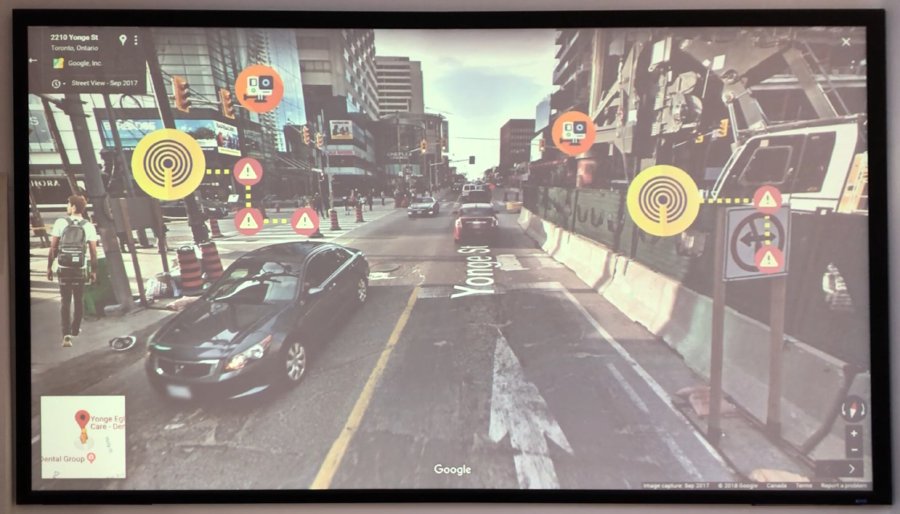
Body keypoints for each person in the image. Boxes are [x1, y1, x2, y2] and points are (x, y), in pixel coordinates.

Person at [47, 195, 99, 348]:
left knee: (65, 301)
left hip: (63, 268)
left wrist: (49, 267)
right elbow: (93, 252)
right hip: (79, 268)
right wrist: (94, 271)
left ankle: (66, 335)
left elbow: (53, 248)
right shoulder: (88, 226)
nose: (67, 206)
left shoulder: (60, 222)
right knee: (78, 298)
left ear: (74, 207)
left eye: (68, 204)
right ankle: (75, 329)